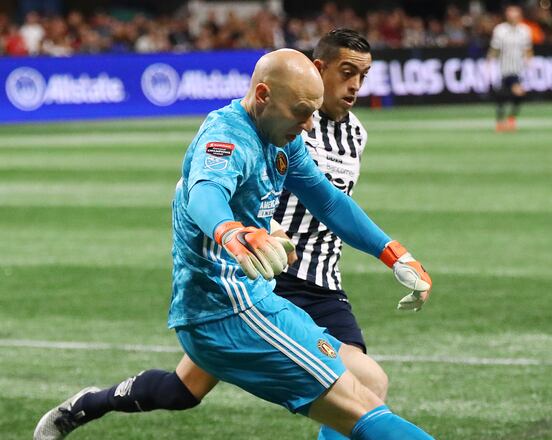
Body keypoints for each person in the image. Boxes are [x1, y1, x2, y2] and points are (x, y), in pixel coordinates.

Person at [34, 48, 434, 440]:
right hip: (227, 310)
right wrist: (233, 232)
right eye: (302, 112)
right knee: (360, 405)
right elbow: (205, 195)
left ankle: (90, 403)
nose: (310, 125)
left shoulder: (281, 135)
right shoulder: (226, 139)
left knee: (361, 382)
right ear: (263, 95)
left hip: (252, 295)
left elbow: (327, 199)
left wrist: (393, 252)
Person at [488, 4, 533, 132]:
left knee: (518, 95)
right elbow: (494, 49)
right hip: (502, 69)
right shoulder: (500, 30)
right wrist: (489, 63)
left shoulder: (525, 30)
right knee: (501, 97)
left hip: (518, 69)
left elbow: (527, 49)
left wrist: (530, 62)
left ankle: (510, 120)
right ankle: (501, 122)